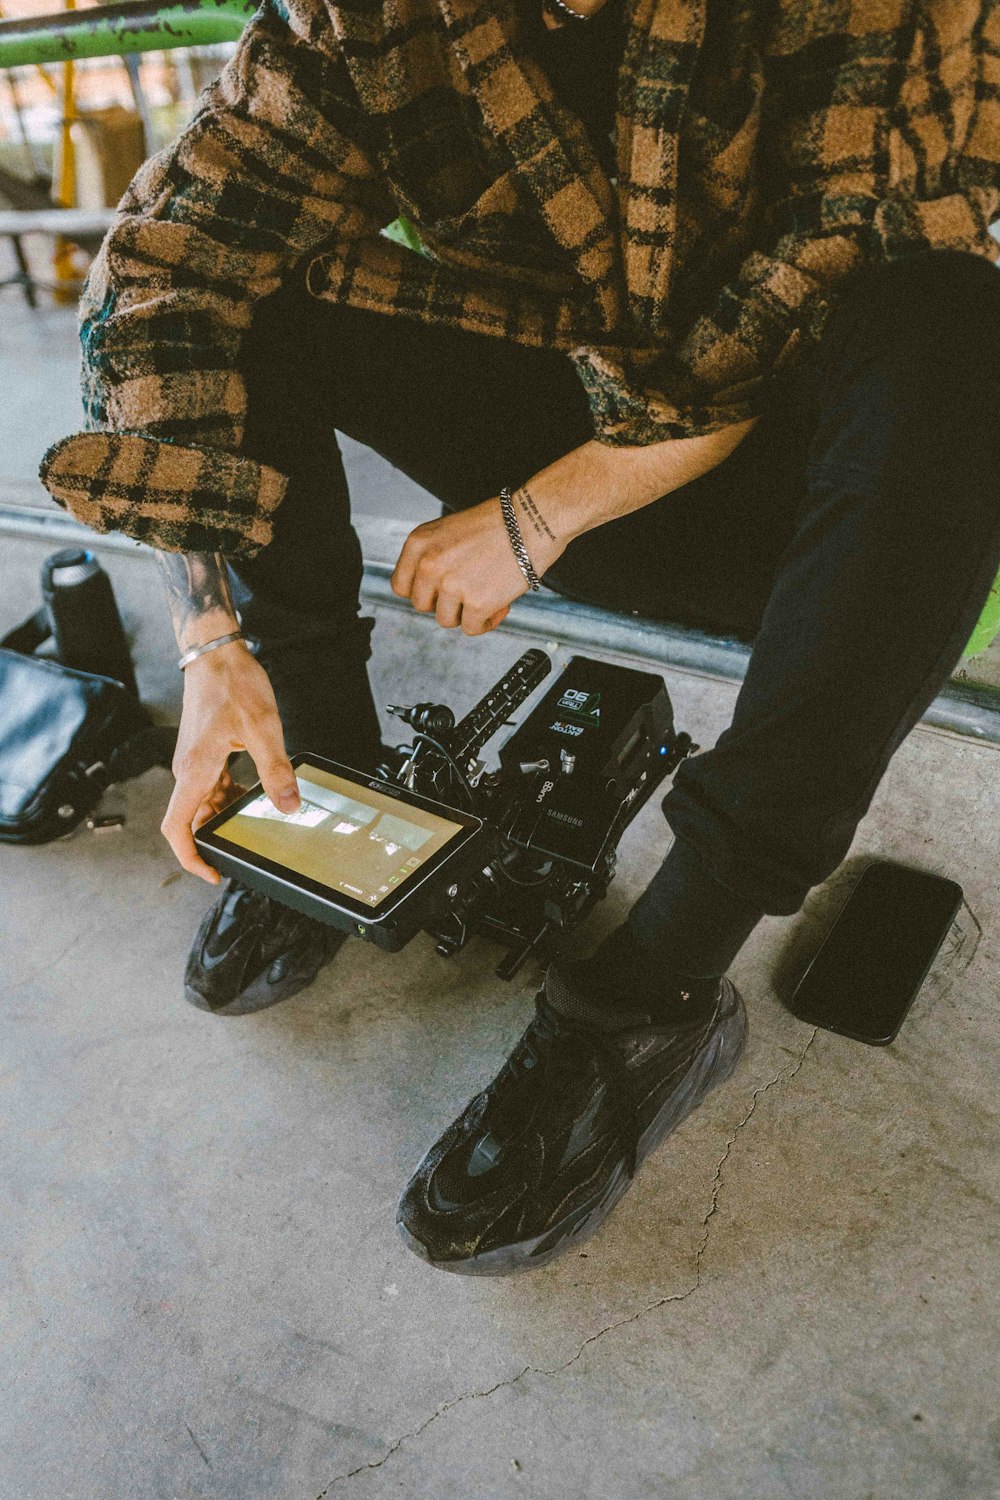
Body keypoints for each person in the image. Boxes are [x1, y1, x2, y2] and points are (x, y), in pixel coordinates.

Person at [40, 0, 1000, 1275]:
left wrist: (539, 516)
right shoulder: (365, 16)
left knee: (956, 329)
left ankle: (648, 995)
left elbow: (822, 269)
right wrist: (214, 639)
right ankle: (325, 786)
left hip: (805, 489)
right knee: (255, 284)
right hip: (571, 397)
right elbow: (167, 264)